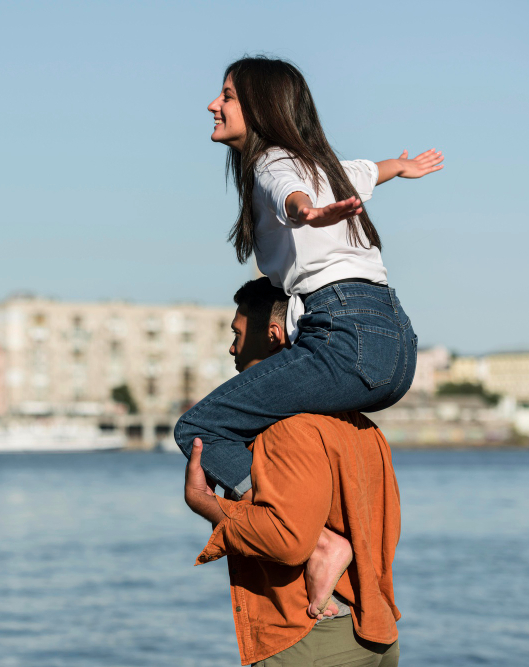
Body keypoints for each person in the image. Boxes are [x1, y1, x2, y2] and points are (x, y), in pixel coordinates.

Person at [174, 56, 441, 502]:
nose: (211, 105)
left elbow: (288, 193)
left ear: (261, 108)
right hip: (397, 345)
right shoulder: (324, 167)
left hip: (344, 337)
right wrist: (400, 165)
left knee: (200, 427)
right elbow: (367, 172)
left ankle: (298, 527)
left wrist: (306, 213)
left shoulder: (270, 162)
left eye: (227, 96)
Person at [185, 278, 402, 666]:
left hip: (312, 635)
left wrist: (207, 505)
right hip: (374, 631)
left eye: (236, 334)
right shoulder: (360, 426)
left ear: (273, 336)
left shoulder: (285, 428)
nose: (232, 348)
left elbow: (287, 541)